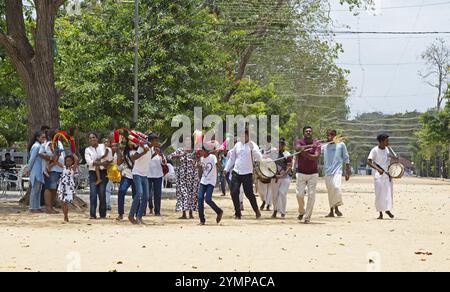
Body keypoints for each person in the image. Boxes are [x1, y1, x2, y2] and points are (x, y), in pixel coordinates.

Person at [224, 128, 262, 219]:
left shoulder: (253, 145)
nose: (242, 137)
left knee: (249, 193)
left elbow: (259, 158)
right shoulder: (237, 145)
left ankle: (256, 210)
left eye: (244, 135)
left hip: (247, 173)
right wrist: (226, 169)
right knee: (234, 192)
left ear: (248, 136)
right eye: (240, 135)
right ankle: (238, 213)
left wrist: (253, 149)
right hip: (236, 172)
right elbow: (232, 158)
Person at [167, 136, 199, 219]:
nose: (188, 142)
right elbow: (169, 157)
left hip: (193, 177)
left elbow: (199, 160)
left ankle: (191, 214)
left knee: (192, 194)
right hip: (181, 177)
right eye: (186, 141)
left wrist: (197, 162)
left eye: (189, 141)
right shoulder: (180, 150)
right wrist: (178, 155)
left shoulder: (194, 151)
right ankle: (184, 214)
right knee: (183, 194)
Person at [367, 133, 397, 220]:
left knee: (388, 193)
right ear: (381, 141)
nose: (388, 142)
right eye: (387, 140)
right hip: (379, 175)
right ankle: (380, 213)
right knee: (379, 194)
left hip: (387, 175)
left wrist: (394, 157)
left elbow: (388, 156)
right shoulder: (374, 150)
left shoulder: (387, 149)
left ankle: (387, 209)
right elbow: (369, 162)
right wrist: (378, 169)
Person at [322, 129, 351, 218]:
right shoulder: (324, 146)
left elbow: (346, 157)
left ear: (335, 135)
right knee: (330, 191)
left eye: (332, 135)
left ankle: (337, 207)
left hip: (337, 171)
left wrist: (347, 171)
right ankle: (332, 210)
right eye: (328, 135)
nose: (330, 136)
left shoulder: (341, 145)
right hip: (327, 172)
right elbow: (316, 153)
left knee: (336, 187)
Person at [295, 126, 321, 224]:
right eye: (306, 131)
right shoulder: (299, 141)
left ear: (312, 133)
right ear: (304, 133)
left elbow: (316, 156)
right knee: (299, 194)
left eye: (310, 131)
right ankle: (302, 211)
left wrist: (305, 154)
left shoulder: (317, 143)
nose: (308, 132)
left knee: (311, 195)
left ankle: (307, 217)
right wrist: (306, 147)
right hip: (301, 172)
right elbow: (297, 148)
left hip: (313, 173)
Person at [84, 132, 112, 219]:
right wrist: (101, 163)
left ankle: (102, 214)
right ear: (88, 140)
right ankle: (92, 214)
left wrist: (100, 163)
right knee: (93, 194)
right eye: (90, 138)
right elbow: (90, 162)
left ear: (97, 138)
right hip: (92, 173)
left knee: (102, 193)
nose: (92, 139)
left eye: (94, 137)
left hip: (103, 173)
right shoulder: (87, 150)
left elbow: (109, 159)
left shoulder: (103, 146)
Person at [39, 130, 65, 214]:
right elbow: (41, 154)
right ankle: (48, 208)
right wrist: (50, 162)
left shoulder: (59, 143)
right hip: (51, 170)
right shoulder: (47, 144)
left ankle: (51, 207)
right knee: (49, 188)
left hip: (58, 169)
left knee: (54, 188)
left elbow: (58, 156)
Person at [197, 144, 223, 225]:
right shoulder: (201, 158)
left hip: (211, 181)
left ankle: (219, 211)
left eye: (200, 151)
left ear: (205, 150)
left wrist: (217, 156)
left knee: (208, 199)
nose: (199, 152)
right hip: (203, 181)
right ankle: (202, 219)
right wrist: (197, 165)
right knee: (200, 198)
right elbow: (201, 170)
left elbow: (219, 166)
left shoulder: (212, 157)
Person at [129, 142, 152, 224]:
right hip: (137, 173)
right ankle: (131, 216)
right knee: (139, 193)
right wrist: (143, 152)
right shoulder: (142, 147)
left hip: (145, 175)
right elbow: (133, 158)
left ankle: (139, 217)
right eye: (155, 141)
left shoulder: (151, 149)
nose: (157, 143)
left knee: (146, 196)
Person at [116, 139, 137, 220]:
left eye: (133, 140)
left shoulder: (139, 150)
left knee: (136, 195)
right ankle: (120, 213)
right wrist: (118, 152)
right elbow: (119, 163)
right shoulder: (125, 152)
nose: (131, 142)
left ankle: (135, 213)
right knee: (121, 191)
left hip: (136, 174)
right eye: (130, 140)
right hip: (126, 174)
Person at [271, 137, 292, 219]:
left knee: (282, 193)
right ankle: (275, 210)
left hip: (285, 177)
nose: (280, 145)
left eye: (281, 144)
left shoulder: (287, 154)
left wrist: (282, 175)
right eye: (278, 144)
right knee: (274, 195)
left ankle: (282, 212)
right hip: (274, 177)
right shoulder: (272, 154)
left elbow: (289, 167)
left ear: (284, 145)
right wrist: (274, 175)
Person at [147, 133, 167, 217]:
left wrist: (161, 154)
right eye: (155, 140)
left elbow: (164, 162)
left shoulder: (160, 150)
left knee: (157, 194)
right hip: (147, 175)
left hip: (158, 175)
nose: (156, 142)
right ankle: (147, 208)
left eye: (157, 140)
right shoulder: (146, 149)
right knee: (147, 194)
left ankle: (157, 211)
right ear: (151, 141)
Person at [26, 132, 46, 213]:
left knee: (39, 190)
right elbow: (32, 159)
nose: (43, 139)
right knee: (35, 189)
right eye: (42, 137)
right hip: (36, 170)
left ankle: (37, 207)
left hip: (39, 170)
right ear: (37, 138)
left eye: (44, 137)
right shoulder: (36, 146)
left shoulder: (40, 146)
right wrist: (28, 169)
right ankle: (32, 207)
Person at [258, 136, 278, 211]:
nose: (267, 142)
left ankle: (268, 204)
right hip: (262, 170)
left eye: (268, 140)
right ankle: (264, 200)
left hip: (271, 170)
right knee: (261, 189)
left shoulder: (274, 150)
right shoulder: (261, 150)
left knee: (270, 188)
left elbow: (276, 159)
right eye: (266, 140)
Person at [57, 154, 79, 222]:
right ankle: (65, 215)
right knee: (62, 202)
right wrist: (57, 154)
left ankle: (66, 215)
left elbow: (77, 160)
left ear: (72, 161)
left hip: (69, 186)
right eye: (67, 161)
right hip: (62, 185)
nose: (68, 162)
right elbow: (56, 161)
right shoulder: (63, 167)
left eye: (70, 161)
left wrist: (74, 153)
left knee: (66, 201)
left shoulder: (73, 168)